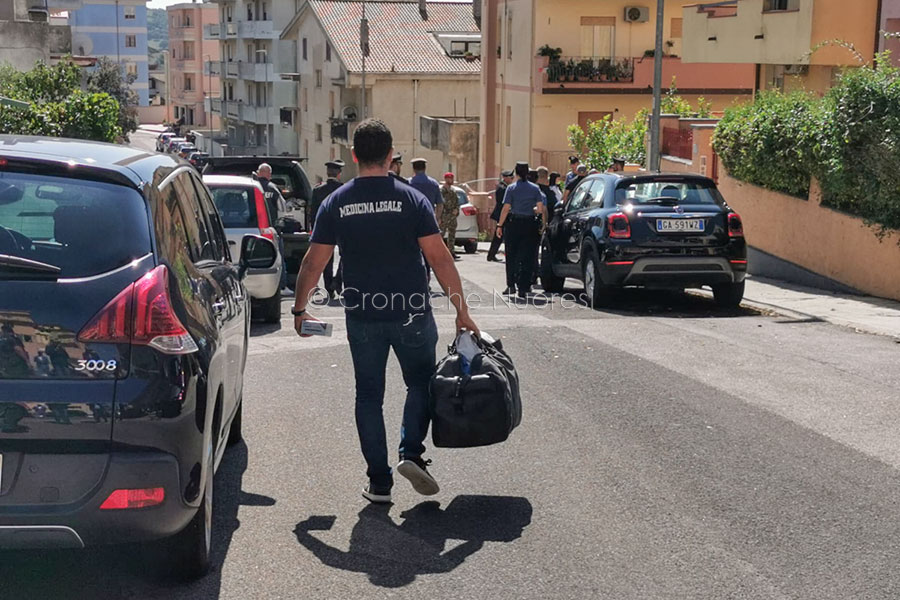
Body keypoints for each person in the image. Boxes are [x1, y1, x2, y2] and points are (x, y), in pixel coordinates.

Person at [292, 119, 480, 504]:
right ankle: (411, 453)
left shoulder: (336, 202)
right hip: (412, 312)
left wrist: (299, 309)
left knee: (368, 396)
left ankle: (379, 482)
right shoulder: (412, 200)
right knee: (420, 384)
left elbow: (314, 263)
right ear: (391, 155)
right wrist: (461, 311)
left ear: (354, 155)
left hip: (362, 314)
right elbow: (440, 258)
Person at [495, 161, 548, 298]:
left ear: (516, 172)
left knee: (511, 255)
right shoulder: (535, 188)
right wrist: (534, 211)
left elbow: (506, 208)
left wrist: (500, 225)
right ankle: (523, 287)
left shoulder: (511, 188)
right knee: (527, 256)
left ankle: (511, 285)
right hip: (530, 224)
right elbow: (540, 209)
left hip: (514, 223)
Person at [309, 160, 346, 299]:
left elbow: (313, 212)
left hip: (325, 227)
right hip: (342, 227)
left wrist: (313, 229)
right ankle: (338, 281)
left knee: (326, 260)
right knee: (345, 256)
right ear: (339, 173)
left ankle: (329, 287)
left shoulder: (318, 190)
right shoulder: (343, 189)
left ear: (327, 173)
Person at [256, 162, 289, 290]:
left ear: (258, 173)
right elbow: (282, 208)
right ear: (269, 174)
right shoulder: (272, 188)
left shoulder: (252, 186)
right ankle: (282, 286)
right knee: (278, 257)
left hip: (254, 228)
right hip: (271, 229)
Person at [408, 158, 443, 223]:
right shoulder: (434, 184)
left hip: (412, 219)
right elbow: (440, 204)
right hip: (428, 219)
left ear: (413, 169)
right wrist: (436, 219)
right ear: (425, 168)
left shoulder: (408, 183)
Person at [440, 172, 460, 260]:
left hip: (452, 216)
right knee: (441, 234)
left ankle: (451, 252)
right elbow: (440, 204)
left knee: (452, 235)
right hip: (444, 216)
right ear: (445, 179)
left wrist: (457, 210)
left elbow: (457, 202)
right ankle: (439, 253)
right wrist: (439, 217)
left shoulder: (453, 190)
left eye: (452, 178)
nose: (451, 180)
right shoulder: (442, 191)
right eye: (449, 178)